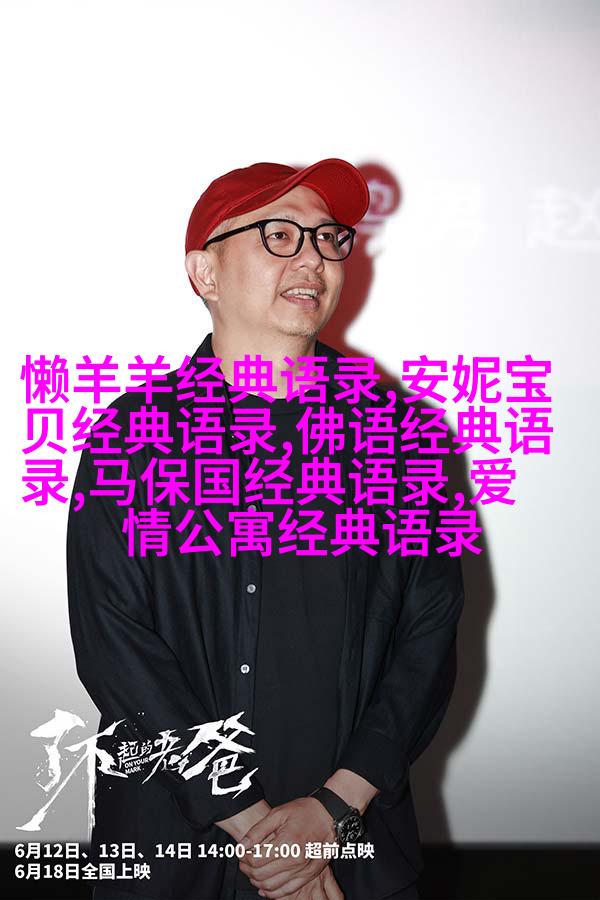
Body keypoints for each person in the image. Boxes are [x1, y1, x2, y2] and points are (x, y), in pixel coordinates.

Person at [67, 157, 465, 900]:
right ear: (205, 273)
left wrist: (334, 809)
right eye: (279, 235)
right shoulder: (132, 435)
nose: (313, 258)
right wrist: (256, 828)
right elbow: (114, 643)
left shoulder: (400, 433)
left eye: (329, 238)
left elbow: (428, 634)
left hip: (355, 846)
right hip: (173, 852)